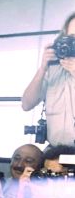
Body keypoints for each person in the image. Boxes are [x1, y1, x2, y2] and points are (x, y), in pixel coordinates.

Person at [21, 11, 75, 146]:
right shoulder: (53, 68)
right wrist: (42, 68)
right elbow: (26, 104)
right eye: (72, 37)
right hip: (55, 154)